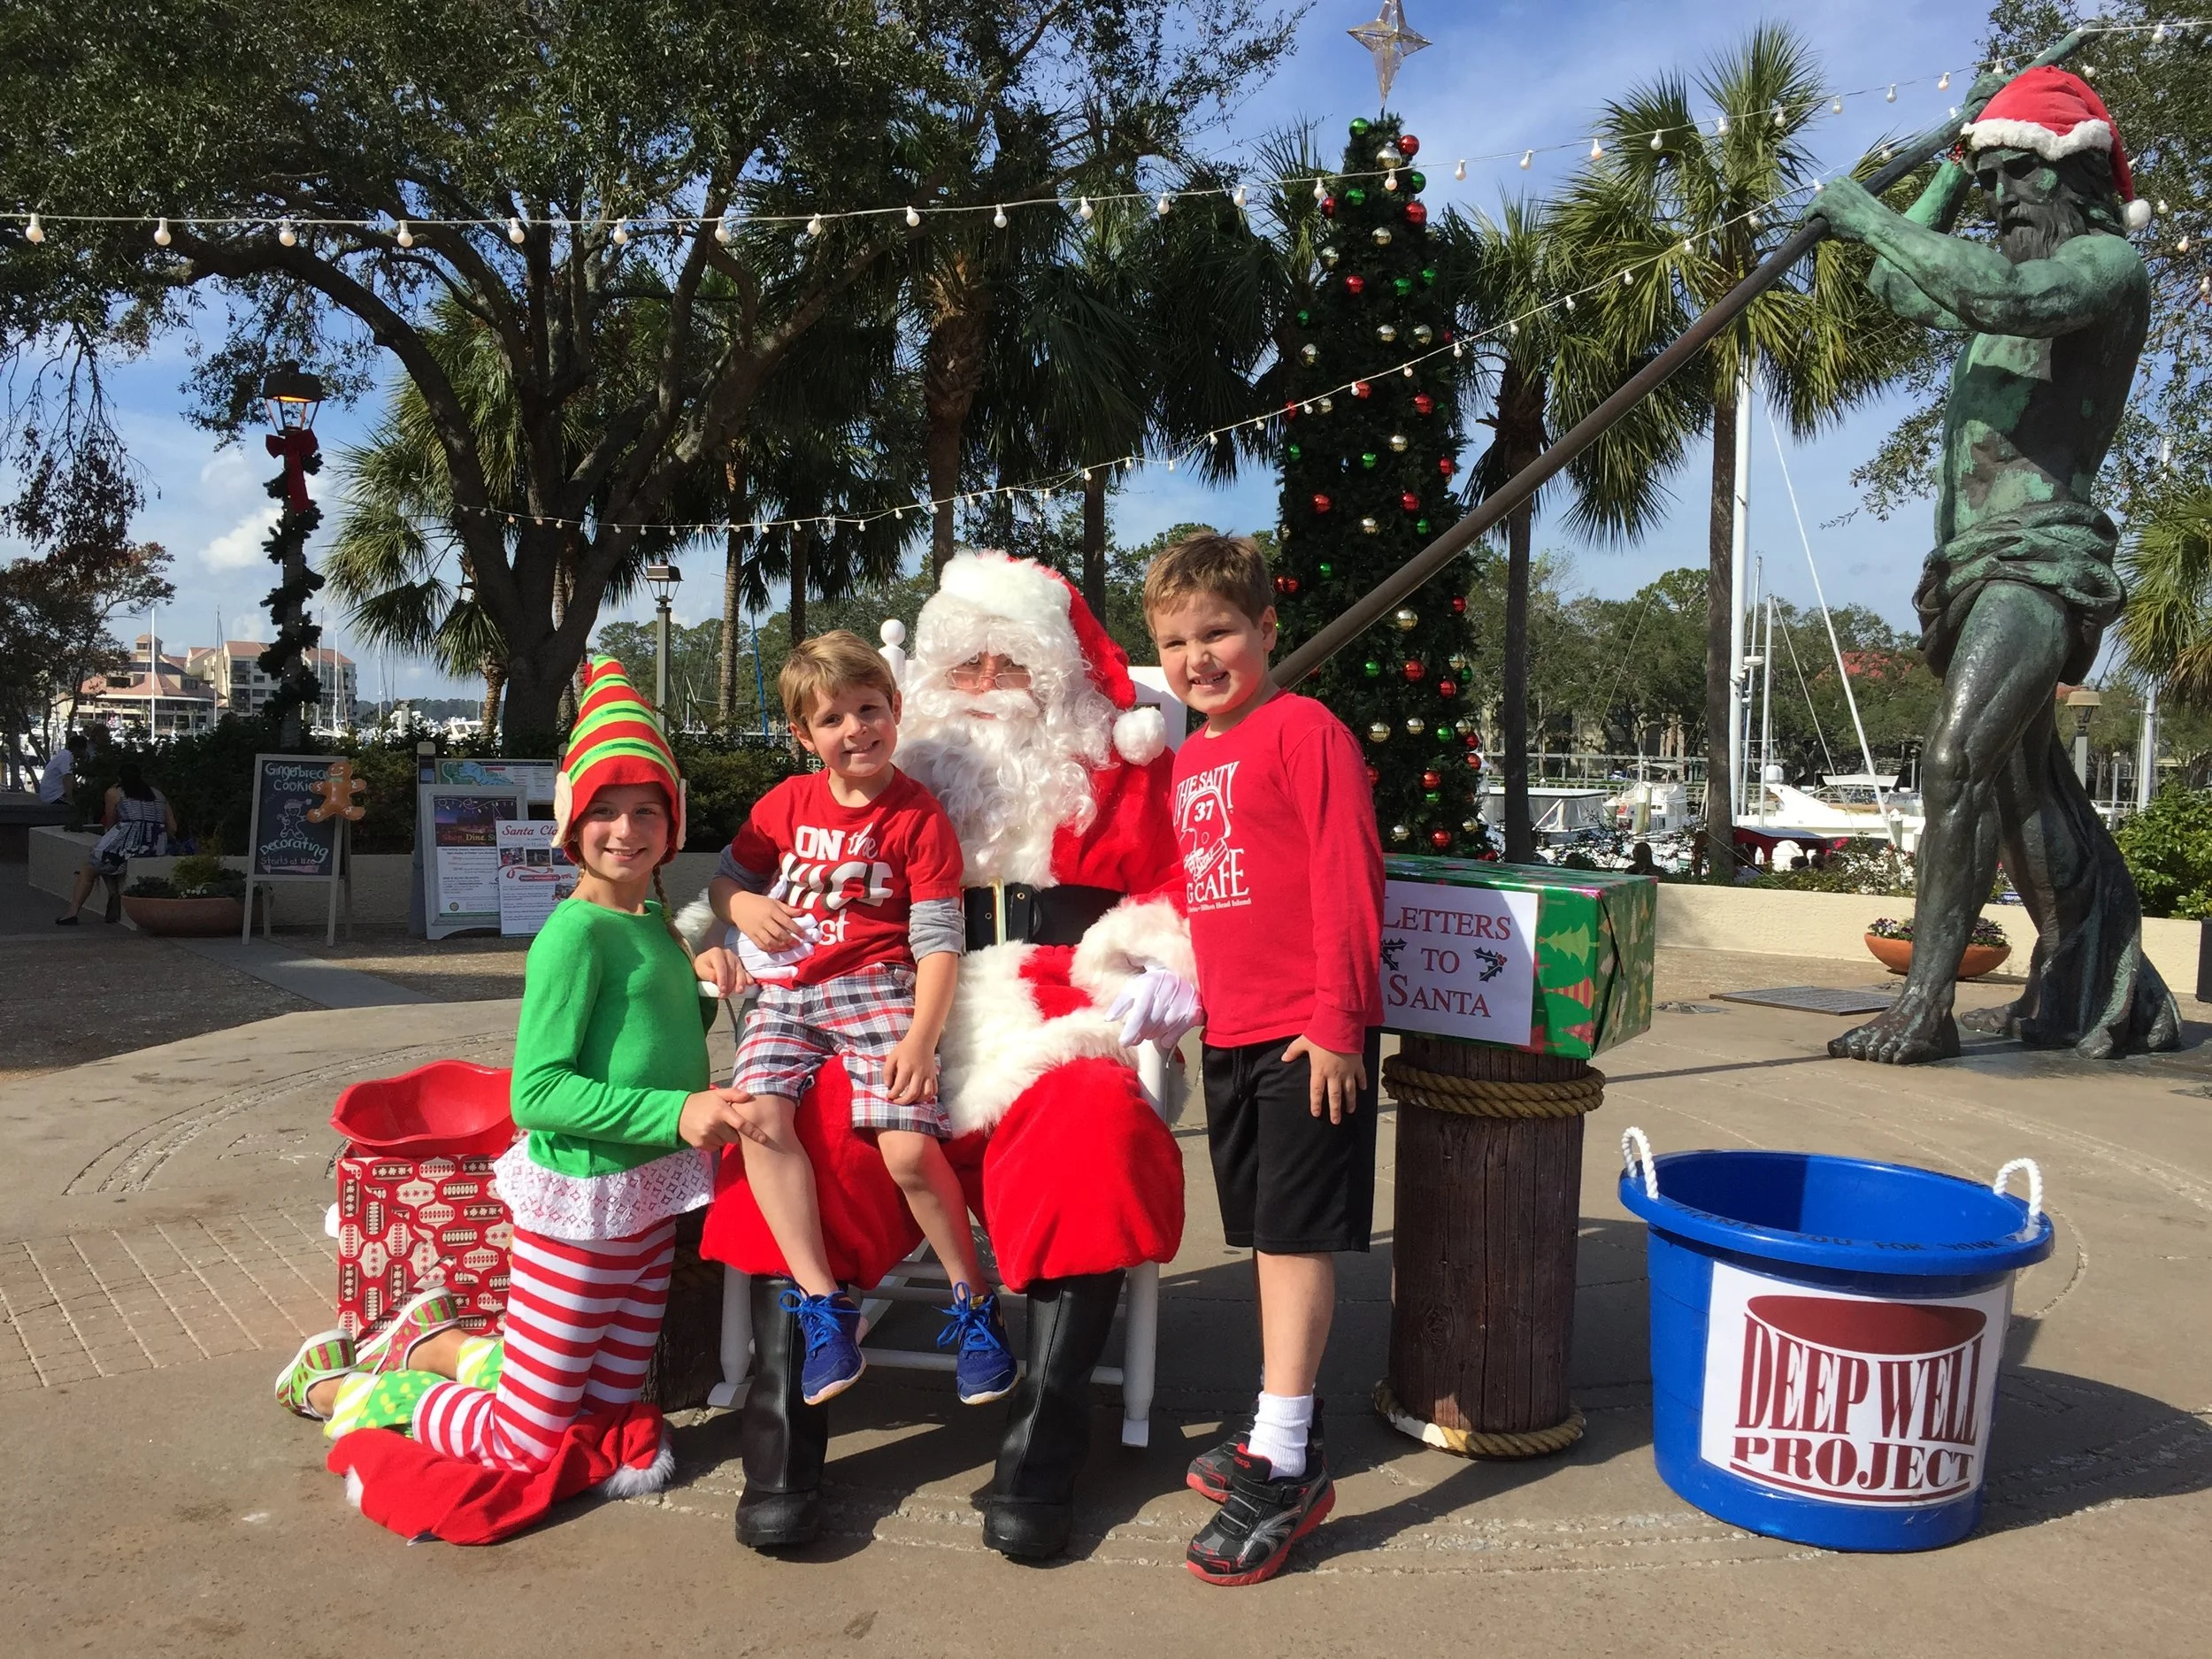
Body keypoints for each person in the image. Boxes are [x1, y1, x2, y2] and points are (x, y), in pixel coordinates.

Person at [702, 551, 1193, 1560]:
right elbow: (773, 876)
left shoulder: (1117, 767)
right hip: (872, 996)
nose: (980, 689)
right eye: (961, 667)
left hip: (1054, 1000)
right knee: (798, 1130)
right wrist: (733, 924)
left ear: (1050, 677)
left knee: (1092, 1131)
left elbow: (1179, 893)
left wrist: (1158, 971)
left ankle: (1041, 1441)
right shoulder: (879, 771)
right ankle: (784, 1442)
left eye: (1004, 666)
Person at [273, 657, 754, 1525]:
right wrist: (678, 1112)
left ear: (673, 823)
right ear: (573, 826)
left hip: (646, 1196)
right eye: (604, 810)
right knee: (525, 1443)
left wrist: (705, 982)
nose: (625, 828)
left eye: (647, 810)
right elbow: (539, 1095)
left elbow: (645, 1034)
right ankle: (372, 1389)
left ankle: (449, 1345)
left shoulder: (646, 918)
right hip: (579, 1201)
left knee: (606, 1398)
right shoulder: (573, 934)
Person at [1814, 65, 2178, 1063]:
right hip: (1970, 563)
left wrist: (1863, 213)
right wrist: (1940, 172)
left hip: (2039, 561)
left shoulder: (2102, 266)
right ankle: (2099, 986)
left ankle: (1922, 1008)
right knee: (2023, 795)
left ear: (2074, 173)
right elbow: (1899, 283)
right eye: (1992, 181)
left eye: (2019, 176)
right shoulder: (1995, 275)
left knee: (1954, 759)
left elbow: (2008, 295)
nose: (2002, 199)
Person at [1144, 532, 1383, 1587]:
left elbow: (1347, 877)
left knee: (1292, 1240)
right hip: (1235, 1031)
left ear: (1266, 629)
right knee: (1263, 1238)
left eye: (1220, 631)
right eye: (1177, 641)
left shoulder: (1302, 730)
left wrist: (1339, 1022)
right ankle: (1284, 1425)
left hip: (1305, 1032)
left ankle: (1283, 1463)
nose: (1199, 656)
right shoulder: (1192, 757)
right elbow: (1204, 899)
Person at [708, 631, 1014, 1412]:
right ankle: (823, 1305)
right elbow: (725, 883)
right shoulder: (784, 805)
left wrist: (921, 1035)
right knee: (758, 1117)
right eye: (833, 718)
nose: (856, 730)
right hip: (787, 995)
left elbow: (941, 939)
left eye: (869, 709)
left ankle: (973, 1301)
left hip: (878, 986)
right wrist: (742, 904)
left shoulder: (916, 817)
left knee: (909, 1146)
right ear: (802, 735)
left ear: (895, 710)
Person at [57, 758, 178, 925]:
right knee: (105, 856)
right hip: (156, 846)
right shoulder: (158, 794)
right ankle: (113, 893)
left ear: (119, 778)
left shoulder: (115, 792)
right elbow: (172, 827)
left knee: (92, 864)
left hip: (128, 843)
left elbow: (111, 823)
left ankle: (72, 913)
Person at [36, 733, 84, 804]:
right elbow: (67, 779)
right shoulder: (67, 756)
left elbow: (73, 782)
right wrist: (70, 800)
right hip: (54, 796)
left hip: (50, 794)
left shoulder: (64, 755)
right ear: (78, 749)